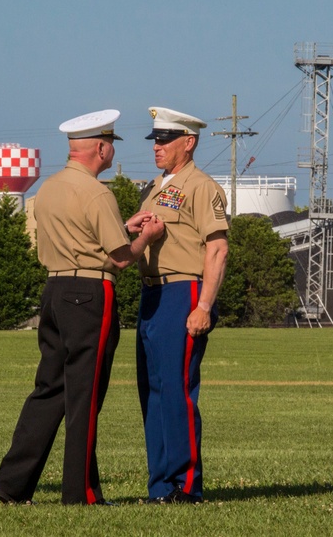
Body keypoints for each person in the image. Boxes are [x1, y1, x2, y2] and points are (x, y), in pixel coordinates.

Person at [0, 110, 165, 506]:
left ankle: (11, 483)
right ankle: (80, 492)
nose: (111, 151)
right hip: (89, 294)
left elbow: (82, 236)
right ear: (100, 148)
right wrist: (147, 236)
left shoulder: (48, 188)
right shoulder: (97, 192)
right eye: (111, 145)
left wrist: (126, 228)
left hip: (54, 290)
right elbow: (119, 258)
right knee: (83, 397)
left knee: (48, 390)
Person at [136, 106, 229, 504]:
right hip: (153, 293)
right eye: (155, 139)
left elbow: (218, 248)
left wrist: (204, 305)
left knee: (175, 389)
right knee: (152, 391)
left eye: (165, 139)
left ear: (188, 142)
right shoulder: (157, 186)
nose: (157, 146)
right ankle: (160, 485)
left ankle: (186, 485)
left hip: (183, 292)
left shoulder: (201, 186)